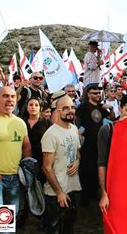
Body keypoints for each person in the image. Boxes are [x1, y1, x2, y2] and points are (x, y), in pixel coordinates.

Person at [0, 86, 31, 214]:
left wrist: (25, 168)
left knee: (7, 221)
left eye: (13, 96)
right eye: (5, 96)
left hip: (14, 179)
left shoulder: (20, 123)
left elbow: (26, 146)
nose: (10, 99)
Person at [41, 95, 81, 234]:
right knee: (53, 229)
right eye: (65, 108)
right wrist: (59, 192)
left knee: (69, 228)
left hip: (73, 187)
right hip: (55, 193)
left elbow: (77, 152)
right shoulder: (51, 134)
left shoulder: (74, 129)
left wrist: (77, 161)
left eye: (72, 107)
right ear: (57, 111)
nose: (70, 111)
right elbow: (46, 167)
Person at [97, 94, 127, 214]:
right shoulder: (107, 130)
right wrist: (104, 193)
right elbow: (101, 163)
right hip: (115, 183)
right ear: (120, 109)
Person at [75, 83, 113, 206]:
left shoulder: (102, 107)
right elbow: (76, 119)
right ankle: (84, 197)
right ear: (88, 94)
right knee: (86, 169)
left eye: (98, 92)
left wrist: (110, 109)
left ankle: (94, 193)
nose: (97, 95)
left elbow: (111, 118)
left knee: (97, 168)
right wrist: (79, 132)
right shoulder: (83, 106)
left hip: (99, 143)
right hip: (86, 143)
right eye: (94, 93)